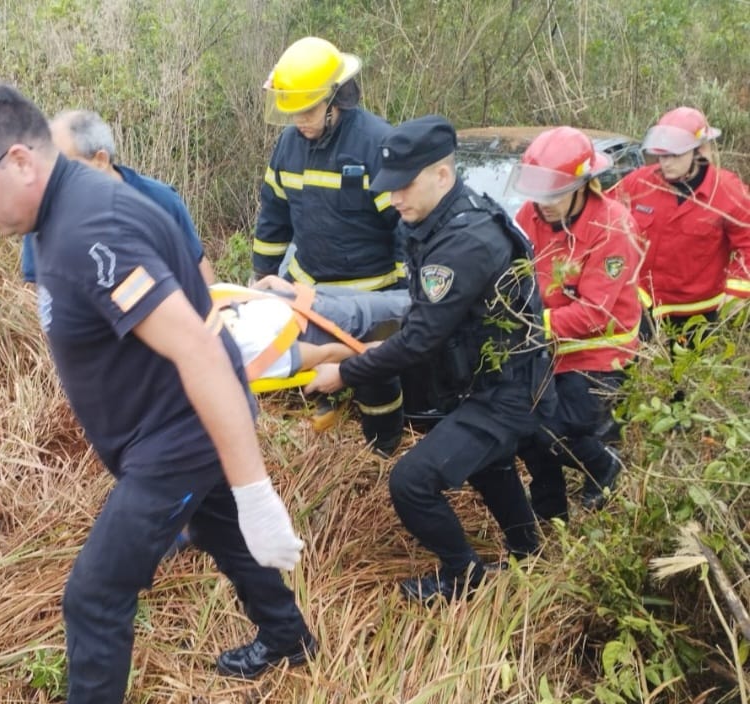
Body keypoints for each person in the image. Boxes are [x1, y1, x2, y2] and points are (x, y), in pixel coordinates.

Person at [0, 82, 314, 704]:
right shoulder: (59, 212)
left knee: (95, 595)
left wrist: (256, 487)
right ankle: (290, 639)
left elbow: (201, 351)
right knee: (226, 536)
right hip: (158, 430)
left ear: (19, 159)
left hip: (177, 440)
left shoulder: (91, 228)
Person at [305, 116, 551, 605]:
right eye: (389, 187)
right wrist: (347, 349)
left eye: (405, 186)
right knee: (490, 464)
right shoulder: (434, 221)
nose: (394, 198)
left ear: (442, 174)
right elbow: (423, 322)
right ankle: (529, 552)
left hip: (509, 389)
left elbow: (418, 341)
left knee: (412, 482)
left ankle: (463, 575)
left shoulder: (464, 242)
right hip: (487, 382)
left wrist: (345, 373)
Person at [254, 36, 408, 454]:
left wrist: (412, 297)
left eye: (306, 110)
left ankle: (382, 449)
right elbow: (274, 219)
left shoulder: (375, 144)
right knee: (310, 373)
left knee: (374, 377)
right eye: (293, 112)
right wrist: (262, 278)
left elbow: (405, 224)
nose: (299, 121)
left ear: (334, 98)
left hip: (370, 295)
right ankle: (328, 452)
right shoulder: (288, 146)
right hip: (309, 291)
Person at [508, 127, 643, 518]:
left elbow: (593, 314)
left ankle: (603, 469)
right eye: (539, 193)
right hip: (547, 348)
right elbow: (516, 276)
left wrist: (529, 326)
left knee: (563, 427)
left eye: (554, 194)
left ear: (584, 184)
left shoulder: (612, 226)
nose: (543, 204)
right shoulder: (529, 216)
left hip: (598, 353)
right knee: (523, 427)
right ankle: (550, 505)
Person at [20, 109, 215, 286]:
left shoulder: (159, 201)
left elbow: (198, 269)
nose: (55, 179)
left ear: (100, 161)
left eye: (64, 167)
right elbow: (47, 299)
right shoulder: (43, 217)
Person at [616, 106, 750, 336]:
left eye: (674, 155)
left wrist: (737, 293)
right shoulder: (639, 183)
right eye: (662, 154)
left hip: (698, 318)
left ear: (698, 152)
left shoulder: (728, 191)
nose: (665, 162)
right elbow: (603, 216)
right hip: (643, 308)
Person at [216, 274, 411, 382]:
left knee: (394, 300)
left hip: (308, 299)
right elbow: (322, 354)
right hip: (328, 326)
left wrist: (266, 282)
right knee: (409, 308)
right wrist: (371, 350)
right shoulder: (239, 351)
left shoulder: (198, 312)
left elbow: (229, 298)